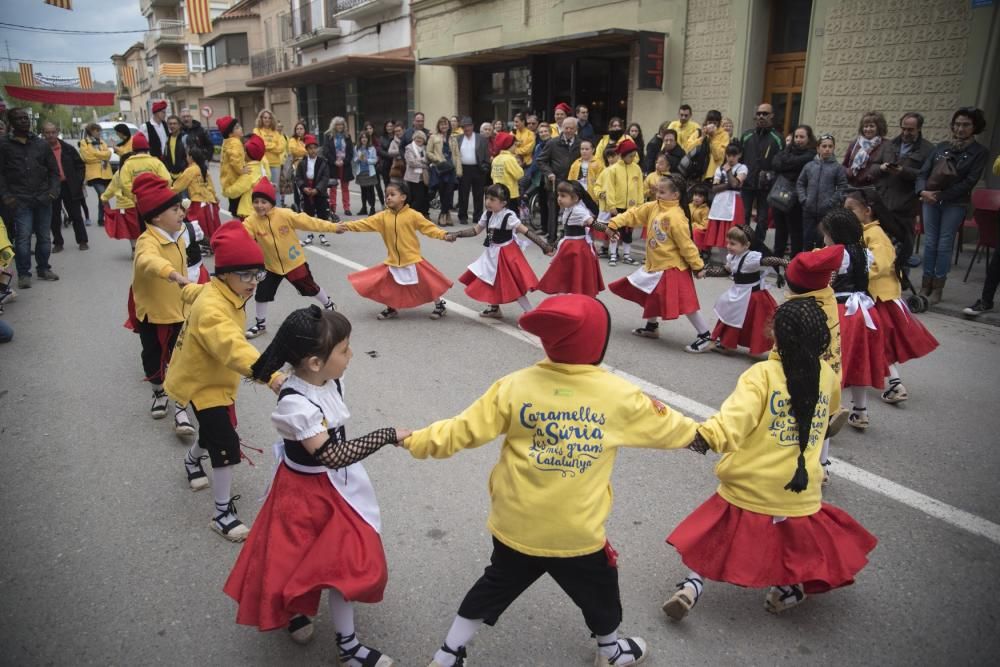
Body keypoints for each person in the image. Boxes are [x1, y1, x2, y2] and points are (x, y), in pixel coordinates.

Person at [403, 293, 698, 667]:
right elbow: (676, 430)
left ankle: (447, 654)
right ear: (598, 341)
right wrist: (720, 435)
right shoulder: (620, 395)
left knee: (495, 584)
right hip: (576, 532)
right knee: (600, 590)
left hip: (516, 523)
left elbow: (460, 430)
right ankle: (610, 651)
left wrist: (413, 439)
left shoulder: (514, 386)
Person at [663, 298, 875, 620]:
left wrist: (700, 437)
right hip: (799, 486)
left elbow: (732, 423)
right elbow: (829, 415)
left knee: (716, 535)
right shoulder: (827, 376)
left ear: (775, 333)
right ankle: (788, 588)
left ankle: (692, 586)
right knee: (793, 540)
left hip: (751, 482)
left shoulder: (761, 376)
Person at [224, 306, 402, 666]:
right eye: (344, 350)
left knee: (344, 563)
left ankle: (347, 644)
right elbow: (331, 456)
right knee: (295, 560)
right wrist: (388, 435)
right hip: (303, 493)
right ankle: (296, 611)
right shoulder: (296, 404)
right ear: (315, 363)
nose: (351, 355)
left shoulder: (327, 381)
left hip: (336, 486)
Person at [165, 221, 283, 542]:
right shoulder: (213, 309)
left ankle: (191, 462)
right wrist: (270, 375)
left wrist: (181, 282)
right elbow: (232, 345)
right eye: (245, 275)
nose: (254, 283)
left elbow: (195, 290)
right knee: (226, 444)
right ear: (224, 274)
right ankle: (221, 514)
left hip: (214, 379)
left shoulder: (219, 289)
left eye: (257, 274)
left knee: (213, 432)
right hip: (201, 385)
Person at [843, 189, 938, 406]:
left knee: (878, 343)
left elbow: (880, 264)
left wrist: (854, 272)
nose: (847, 213)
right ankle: (890, 383)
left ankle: (894, 384)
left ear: (867, 211)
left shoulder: (875, 234)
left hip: (878, 298)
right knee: (875, 342)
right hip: (870, 296)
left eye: (851, 209)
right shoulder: (862, 231)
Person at [607, 175, 713, 352]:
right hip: (655, 265)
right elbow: (634, 213)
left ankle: (705, 336)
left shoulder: (677, 217)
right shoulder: (654, 207)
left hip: (673, 267)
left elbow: (687, 245)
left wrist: (698, 266)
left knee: (687, 304)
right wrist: (614, 223)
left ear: (675, 195)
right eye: (657, 191)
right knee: (652, 295)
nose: (658, 195)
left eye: (662, 192)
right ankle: (651, 327)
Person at [127, 172, 196, 433]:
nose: (182, 213)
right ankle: (158, 392)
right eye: (176, 209)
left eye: (181, 208)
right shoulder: (147, 241)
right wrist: (173, 274)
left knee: (182, 360)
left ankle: (181, 408)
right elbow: (148, 261)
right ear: (157, 217)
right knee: (153, 358)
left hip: (180, 311)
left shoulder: (176, 232)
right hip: (154, 314)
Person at [337, 180, 455, 321]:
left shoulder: (413, 215)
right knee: (389, 284)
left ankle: (439, 305)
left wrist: (444, 235)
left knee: (427, 283)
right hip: (393, 259)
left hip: (413, 259)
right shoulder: (382, 217)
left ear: (403, 197)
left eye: (392, 194)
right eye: (387, 195)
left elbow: (429, 228)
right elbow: (363, 224)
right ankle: (392, 308)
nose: (388, 197)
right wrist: (345, 226)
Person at [241, 178, 339, 339]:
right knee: (261, 294)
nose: (259, 205)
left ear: (272, 202)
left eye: (263, 202)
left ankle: (329, 304)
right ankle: (260, 324)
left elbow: (310, 223)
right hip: (270, 266)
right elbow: (241, 236)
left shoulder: (285, 215)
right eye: (256, 201)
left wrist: (333, 227)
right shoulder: (251, 221)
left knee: (310, 288)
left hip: (294, 262)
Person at [820, 207, 888, 431]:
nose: (824, 238)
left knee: (833, 361)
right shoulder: (863, 252)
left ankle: (831, 409)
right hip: (865, 312)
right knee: (858, 360)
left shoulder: (838, 255)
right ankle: (860, 411)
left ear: (834, 234)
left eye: (826, 234)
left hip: (842, 312)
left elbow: (827, 282)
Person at [782, 243, 844, 483]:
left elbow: (785, 347)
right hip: (829, 370)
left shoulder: (799, 310)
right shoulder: (826, 297)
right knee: (823, 415)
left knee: (797, 420)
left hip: (803, 373)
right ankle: (823, 464)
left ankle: (798, 464)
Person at [916, 106, 989, 304]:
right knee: (930, 242)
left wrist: (940, 195)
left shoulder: (979, 152)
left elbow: (969, 182)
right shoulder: (941, 147)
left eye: (966, 125)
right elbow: (923, 173)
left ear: (975, 127)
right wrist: (922, 191)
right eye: (957, 124)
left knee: (945, 243)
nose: (960, 128)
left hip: (954, 203)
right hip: (930, 199)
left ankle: (938, 288)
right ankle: (926, 284)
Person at [452, 183, 553, 318]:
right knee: (490, 279)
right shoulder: (488, 214)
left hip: (507, 254)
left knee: (513, 284)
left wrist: (544, 246)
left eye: (492, 199)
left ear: (504, 203)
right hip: (492, 252)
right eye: (487, 198)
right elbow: (475, 230)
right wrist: (457, 234)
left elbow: (526, 231)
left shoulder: (509, 216)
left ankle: (531, 313)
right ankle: (494, 308)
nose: (488, 202)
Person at [701, 225, 785, 356]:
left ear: (746, 245)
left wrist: (786, 263)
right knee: (730, 315)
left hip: (755, 297)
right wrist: (707, 272)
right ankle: (726, 343)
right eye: (728, 242)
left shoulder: (751, 258)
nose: (728, 246)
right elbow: (726, 271)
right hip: (740, 293)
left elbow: (767, 260)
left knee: (761, 324)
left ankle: (783, 348)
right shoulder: (733, 257)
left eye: (733, 244)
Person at [0, 108, 61, 288]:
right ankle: (24, 274)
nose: (24, 121)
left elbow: (54, 171)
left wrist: (52, 192)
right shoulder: (4, 145)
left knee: (44, 236)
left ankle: (43, 268)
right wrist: (6, 196)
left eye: (25, 118)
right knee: (23, 237)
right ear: (11, 123)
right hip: (19, 199)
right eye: (19, 119)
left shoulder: (41, 144)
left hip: (43, 198)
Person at [875, 113, 934, 277]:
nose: (906, 132)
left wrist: (904, 171)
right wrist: (882, 168)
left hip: (906, 205)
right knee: (880, 245)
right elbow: (873, 167)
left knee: (903, 247)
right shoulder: (889, 145)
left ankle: (901, 279)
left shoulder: (927, 149)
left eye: (911, 129)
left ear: (919, 128)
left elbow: (927, 176)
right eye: (903, 128)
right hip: (884, 201)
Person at [101, 132, 171, 252]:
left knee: (141, 228)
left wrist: (135, 197)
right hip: (155, 202)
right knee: (157, 225)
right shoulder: (155, 162)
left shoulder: (128, 165)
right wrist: (158, 194)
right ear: (147, 148)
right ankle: (159, 248)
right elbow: (167, 180)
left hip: (138, 203)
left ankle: (144, 250)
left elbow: (124, 183)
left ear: (134, 149)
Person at [536, 180, 605, 297]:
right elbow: (566, 232)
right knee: (565, 276)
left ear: (576, 198)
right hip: (569, 246)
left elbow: (592, 223)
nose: (559, 198)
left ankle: (582, 304)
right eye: (558, 195)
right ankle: (566, 302)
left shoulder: (579, 211)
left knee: (578, 277)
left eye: (563, 196)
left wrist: (608, 230)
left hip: (578, 249)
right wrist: (554, 245)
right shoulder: (569, 209)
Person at [736, 103, 784, 242]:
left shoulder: (777, 138)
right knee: (744, 215)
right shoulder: (746, 135)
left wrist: (771, 175)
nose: (761, 116)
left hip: (766, 185)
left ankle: (757, 246)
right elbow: (739, 158)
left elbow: (781, 162)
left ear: (772, 116)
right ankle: (742, 242)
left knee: (762, 219)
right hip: (747, 183)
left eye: (765, 113)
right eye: (759, 113)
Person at [771, 125, 817, 258]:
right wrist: (787, 164)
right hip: (779, 195)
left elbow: (797, 163)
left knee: (795, 232)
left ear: (809, 138)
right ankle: (776, 262)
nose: (798, 140)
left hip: (796, 199)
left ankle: (793, 264)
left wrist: (785, 165)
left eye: (802, 137)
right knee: (780, 231)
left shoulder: (811, 154)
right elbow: (775, 163)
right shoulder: (787, 150)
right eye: (796, 137)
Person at [42, 122, 88, 253]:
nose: (50, 135)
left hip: (69, 185)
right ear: (43, 133)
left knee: (76, 215)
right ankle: (58, 243)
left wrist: (78, 181)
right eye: (47, 132)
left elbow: (80, 165)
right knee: (54, 217)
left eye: (53, 132)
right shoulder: (41, 150)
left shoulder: (67, 148)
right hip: (51, 187)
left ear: (57, 132)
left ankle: (82, 240)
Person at [796, 134, 847, 251]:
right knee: (807, 240)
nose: (827, 149)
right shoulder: (809, 166)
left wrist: (832, 202)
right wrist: (804, 199)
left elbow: (842, 186)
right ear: (818, 148)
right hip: (809, 210)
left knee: (823, 240)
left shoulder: (837, 168)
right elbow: (800, 183)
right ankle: (807, 265)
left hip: (827, 211)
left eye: (830, 146)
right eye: (824, 146)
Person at [537, 117, 581, 244]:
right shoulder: (553, 143)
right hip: (555, 182)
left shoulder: (580, 143)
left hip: (573, 183)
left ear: (576, 129)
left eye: (571, 128)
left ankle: (569, 237)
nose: (568, 130)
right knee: (553, 211)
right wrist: (549, 173)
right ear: (562, 128)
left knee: (573, 210)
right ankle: (551, 239)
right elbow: (541, 160)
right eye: (566, 128)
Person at [600, 137, 643, 265]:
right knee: (615, 232)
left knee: (628, 232)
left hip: (631, 207)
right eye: (630, 156)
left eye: (634, 156)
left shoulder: (637, 169)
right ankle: (613, 254)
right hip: (617, 206)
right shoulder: (612, 170)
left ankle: (627, 255)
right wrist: (611, 205)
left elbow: (640, 187)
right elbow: (609, 189)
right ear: (622, 155)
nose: (633, 158)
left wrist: (640, 205)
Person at [703, 144, 748, 251]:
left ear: (739, 155)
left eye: (734, 155)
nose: (731, 158)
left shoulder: (742, 168)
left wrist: (728, 173)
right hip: (720, 201)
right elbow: (714, 188)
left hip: (734, 202)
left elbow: (735, 184)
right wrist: (730, 184)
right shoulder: (719, 168)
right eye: (728, 155)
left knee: (733, 229)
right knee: (719, 230)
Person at [171, 146, 220, 241]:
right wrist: (215, 197)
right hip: (210, 202)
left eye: (187, 156)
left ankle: (205, 246)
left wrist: (166, 191)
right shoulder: (203, 168)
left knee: (199, 227)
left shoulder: (191, 170)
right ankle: (212, 245)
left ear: (191, 157)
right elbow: (211, 186)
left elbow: (178, 186)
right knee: (212, 227)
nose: (186, 158)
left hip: (198, 202)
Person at [295, 134, 332, 246]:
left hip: (319, 191)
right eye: (310, 148)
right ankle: (309, 235)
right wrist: (303, 187)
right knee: (308, 213)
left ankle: (322, 235)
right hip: (307, 190)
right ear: (307, 150)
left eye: (315, 148)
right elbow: (298, 177)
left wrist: (318, 189)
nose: (313, 151)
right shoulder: (302, 163)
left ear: (317, 149)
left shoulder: (323, 162)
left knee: (321, 213)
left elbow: (325, 178)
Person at [222, 134, 269, 219]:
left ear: (247, 154)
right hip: (260, 209)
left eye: (244, 151)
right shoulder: (261, 167)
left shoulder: (248, 172)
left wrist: (226, 191)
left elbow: (236, 190)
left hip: (248, 211)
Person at [456, 116, 490, 226]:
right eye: (464, 127)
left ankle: (478, 216)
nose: (466, 129)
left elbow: (486, 154)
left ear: (472, 126)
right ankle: (463, 216)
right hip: (464, 169)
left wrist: (485, 167)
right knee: (463, 194)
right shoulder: (458, 139)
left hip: (478, 169)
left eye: (468, 126)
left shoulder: (481, 138)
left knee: (478, 194)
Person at [427, 116, 459, 226]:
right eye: (441, 124)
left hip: (451, 169)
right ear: (438, 126)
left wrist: (459, 170)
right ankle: (445, 214)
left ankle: (444, 214)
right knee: (442, 192)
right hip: (440, 169)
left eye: (446, 124)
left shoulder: (453, 138)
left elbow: (457, 155)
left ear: (449, 125)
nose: (444, 126)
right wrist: (437, 160)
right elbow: (428, 152)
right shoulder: (433, 137)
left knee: (449, 193)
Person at [80, 122, 113, 228]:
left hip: (106, 173)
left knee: (102, 197)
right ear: (91, 131)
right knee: (103, 194)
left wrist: (96, 154)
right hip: (94, 174)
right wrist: (101, 156)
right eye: (96, 131)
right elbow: (87, 158)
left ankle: (101, 219)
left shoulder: (102, 142)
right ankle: (110, 216)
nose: (99, 133)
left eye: (100, 131)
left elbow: (108, 154)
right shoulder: (84, 142)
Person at [843, 111, 887, 188]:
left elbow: (887, 169)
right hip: (851, 186)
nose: (868, 129)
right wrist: (848, 171)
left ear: (879, 127)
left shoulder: (885, 145)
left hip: (872, 188)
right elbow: (844, 165)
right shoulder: (855, 143)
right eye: (865, 126)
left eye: (872, 126)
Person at [253, 109, 285, 206]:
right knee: (263, 188)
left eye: (269, 118)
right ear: (261, 119)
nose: (267, 120)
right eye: (265, 118)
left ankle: (277, 209)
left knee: (275, 188)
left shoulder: (276, 133)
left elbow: (281, 148)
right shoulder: (256, 131)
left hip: (275, 164)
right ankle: (264, 208)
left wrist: (266, 146)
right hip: (262, 164)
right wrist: (273, 145)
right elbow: (259, 145)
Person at [324, 116, 354, 217]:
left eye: (341, 124)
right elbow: (326, 151)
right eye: (337, 124)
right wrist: (334, 161)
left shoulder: (347, 136)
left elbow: (350, 152)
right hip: (333, 165)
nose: (340, 126)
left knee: (345, 187)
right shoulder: (328, 136)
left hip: (345, 166)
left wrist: (344, 161)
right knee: (333, 187)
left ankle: (347, 208)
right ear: (334, 125)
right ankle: (333, 207)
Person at [217, 115, 247, 216]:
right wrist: (242, 170)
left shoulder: (227, 142)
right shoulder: (235, 142)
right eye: (237, 128)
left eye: (239, 126)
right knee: (238, 209)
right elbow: (235, 160)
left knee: (234, 207)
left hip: (228, 181)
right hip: (235, 180)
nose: (241, 128)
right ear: (230, 133)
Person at [489, 132, 524, 211]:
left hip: (497, 192)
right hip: (510, 194)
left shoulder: (496, 159)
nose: (515, 147)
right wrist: (519, 167)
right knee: (511, 217)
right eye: (515, 145)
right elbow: (519, 174)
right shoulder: (510, 159)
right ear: (509, 145)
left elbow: (492, 175)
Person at [404, 130, 430, 216]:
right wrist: (423, 164)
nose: (419, 140)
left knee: (423, 197)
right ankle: (412, 216)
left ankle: (421, 215)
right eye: (417, 138)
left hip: (424, 177)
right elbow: (411, 162)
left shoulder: (425, 148)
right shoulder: (409, 148)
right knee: (416, 198)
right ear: (414, 138)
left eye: (421, 138)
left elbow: (428, 160)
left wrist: (420, 161)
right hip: (413, 178)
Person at [353, 131, 379, 217]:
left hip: (370, 172)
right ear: (360, 139)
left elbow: (375, 160)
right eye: (362, 137)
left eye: (365, 137)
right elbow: (354, 160)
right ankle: (364, 208)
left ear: (368, 139)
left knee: (370, 191)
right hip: (361, 172)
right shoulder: (356, 148)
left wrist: (367, 160)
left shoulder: (372, 148)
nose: (364, 139)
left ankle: (372, 208)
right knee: (363, 191)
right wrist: (358, 159)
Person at [287, 121, 309, 211]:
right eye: (297, 129)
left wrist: (303, 151)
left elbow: (314, 150)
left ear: (305, 130)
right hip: (297, 166)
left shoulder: (308, 138)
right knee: (298, 187)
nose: (299, 131)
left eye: (301, 129)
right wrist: (306, 151)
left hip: (308, 165)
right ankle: (298, 207)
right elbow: (294, 151)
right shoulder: (293, 140)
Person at [162, 114, 187, 179]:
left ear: (179, 125)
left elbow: (190, 157)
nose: (172, 126)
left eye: (174, 123)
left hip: (183, 175)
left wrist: (185, 170)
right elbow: (165, 156)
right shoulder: (167, 139)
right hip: (170, 176)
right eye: (170, 124)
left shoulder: (185, 138)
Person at [689, 183, 710, 253]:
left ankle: (698, 251)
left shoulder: (705, 209)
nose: (696, 198)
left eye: (700, 196)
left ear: (705, 198)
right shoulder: (689, 206)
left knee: (695, 232)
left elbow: (705, 225)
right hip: (689, 227)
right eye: (695, 195)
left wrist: (693, 226)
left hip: (700, 231)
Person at [377, 120, 395, 192]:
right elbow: (380, 151)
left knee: (395, 186)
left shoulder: (397, 137)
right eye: (387, 126)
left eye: (391, 126)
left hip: (395, 165)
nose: (389, 128)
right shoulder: (382, 138)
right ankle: (388, 202)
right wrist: (391, 155)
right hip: (386, 166)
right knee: (387, 185)